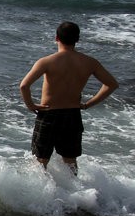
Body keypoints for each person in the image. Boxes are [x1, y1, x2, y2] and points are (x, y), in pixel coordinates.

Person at [19, 21, 118, 174]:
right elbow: (111, 84)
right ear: (77, 39)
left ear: (56, 38)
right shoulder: (90, 62)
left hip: (49, 115)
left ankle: (40, 196)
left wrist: (31, 105)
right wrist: (88, 104)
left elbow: (24, 86)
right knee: (70, 161)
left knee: (41, 161)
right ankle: (75, 195)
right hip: (72, 115)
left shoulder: (47, 61)